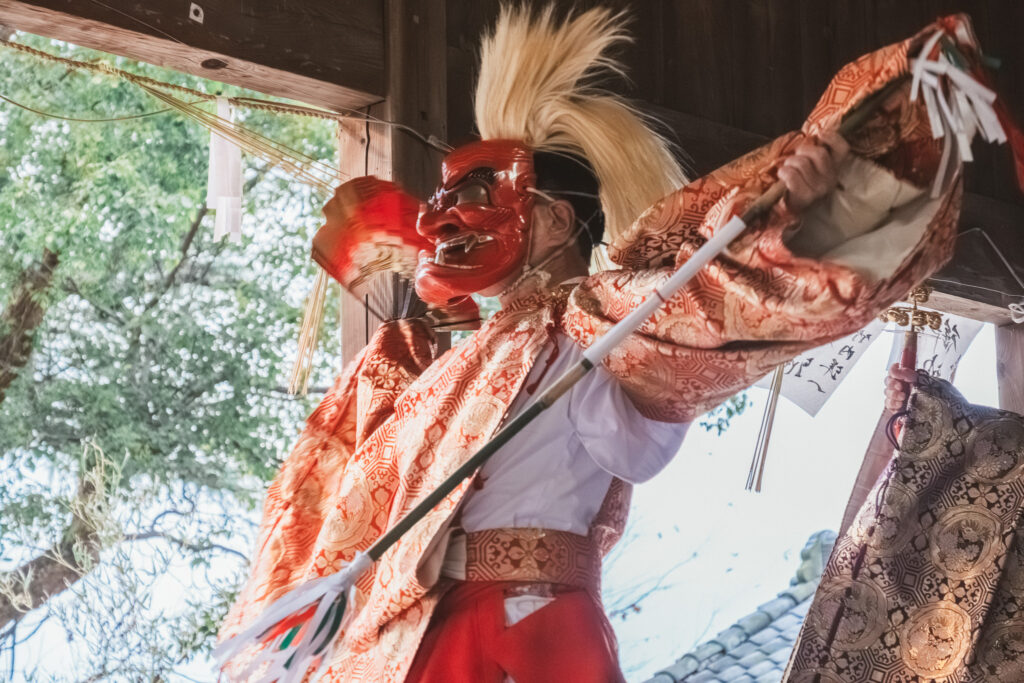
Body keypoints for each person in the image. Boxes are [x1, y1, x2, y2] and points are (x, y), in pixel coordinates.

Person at [220, 6, 962, 682]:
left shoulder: (609, 318)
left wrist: (791, 215)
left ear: (551, 220)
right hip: (429, 621)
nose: (447, 222)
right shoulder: (454, 354)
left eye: (476, 198)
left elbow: (641, 439)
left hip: (529, 621)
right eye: (445, 204)